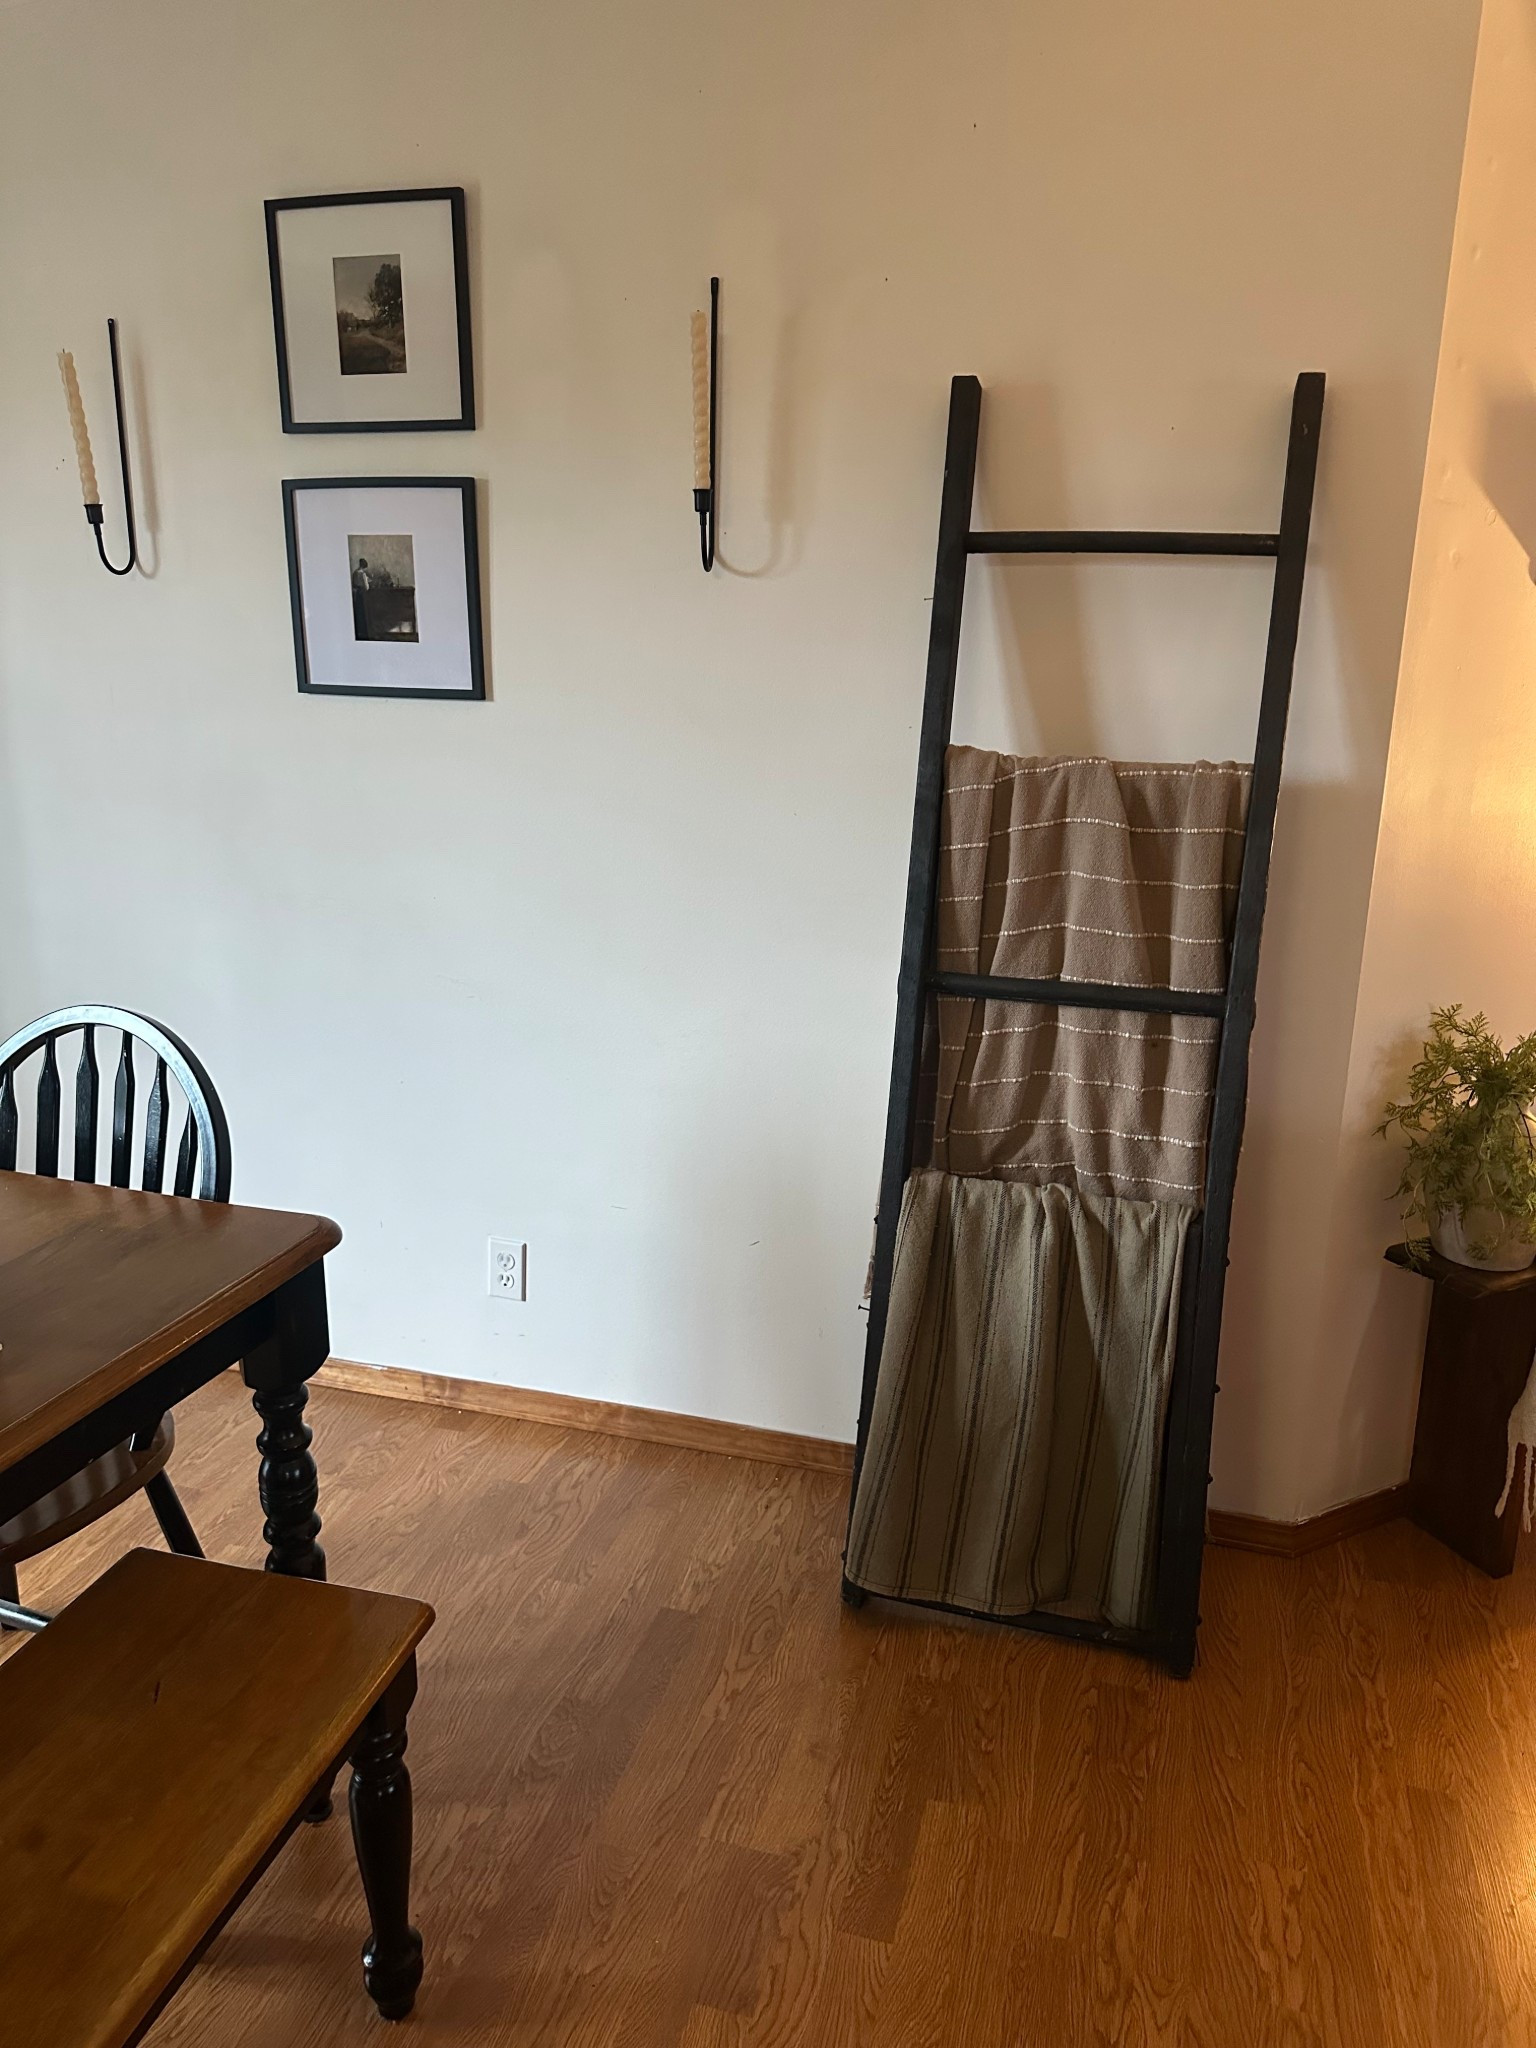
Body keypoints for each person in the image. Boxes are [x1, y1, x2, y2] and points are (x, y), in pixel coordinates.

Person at [351, 556, 371, 639]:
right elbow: (367, 587)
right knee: (363, 612)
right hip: (362, 594)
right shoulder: (363, 574)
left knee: (357, 611)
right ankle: (364, 632)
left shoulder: (355, 573)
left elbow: (354, 583)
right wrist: (368, 581)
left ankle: (358, 632)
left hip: (356, 594)